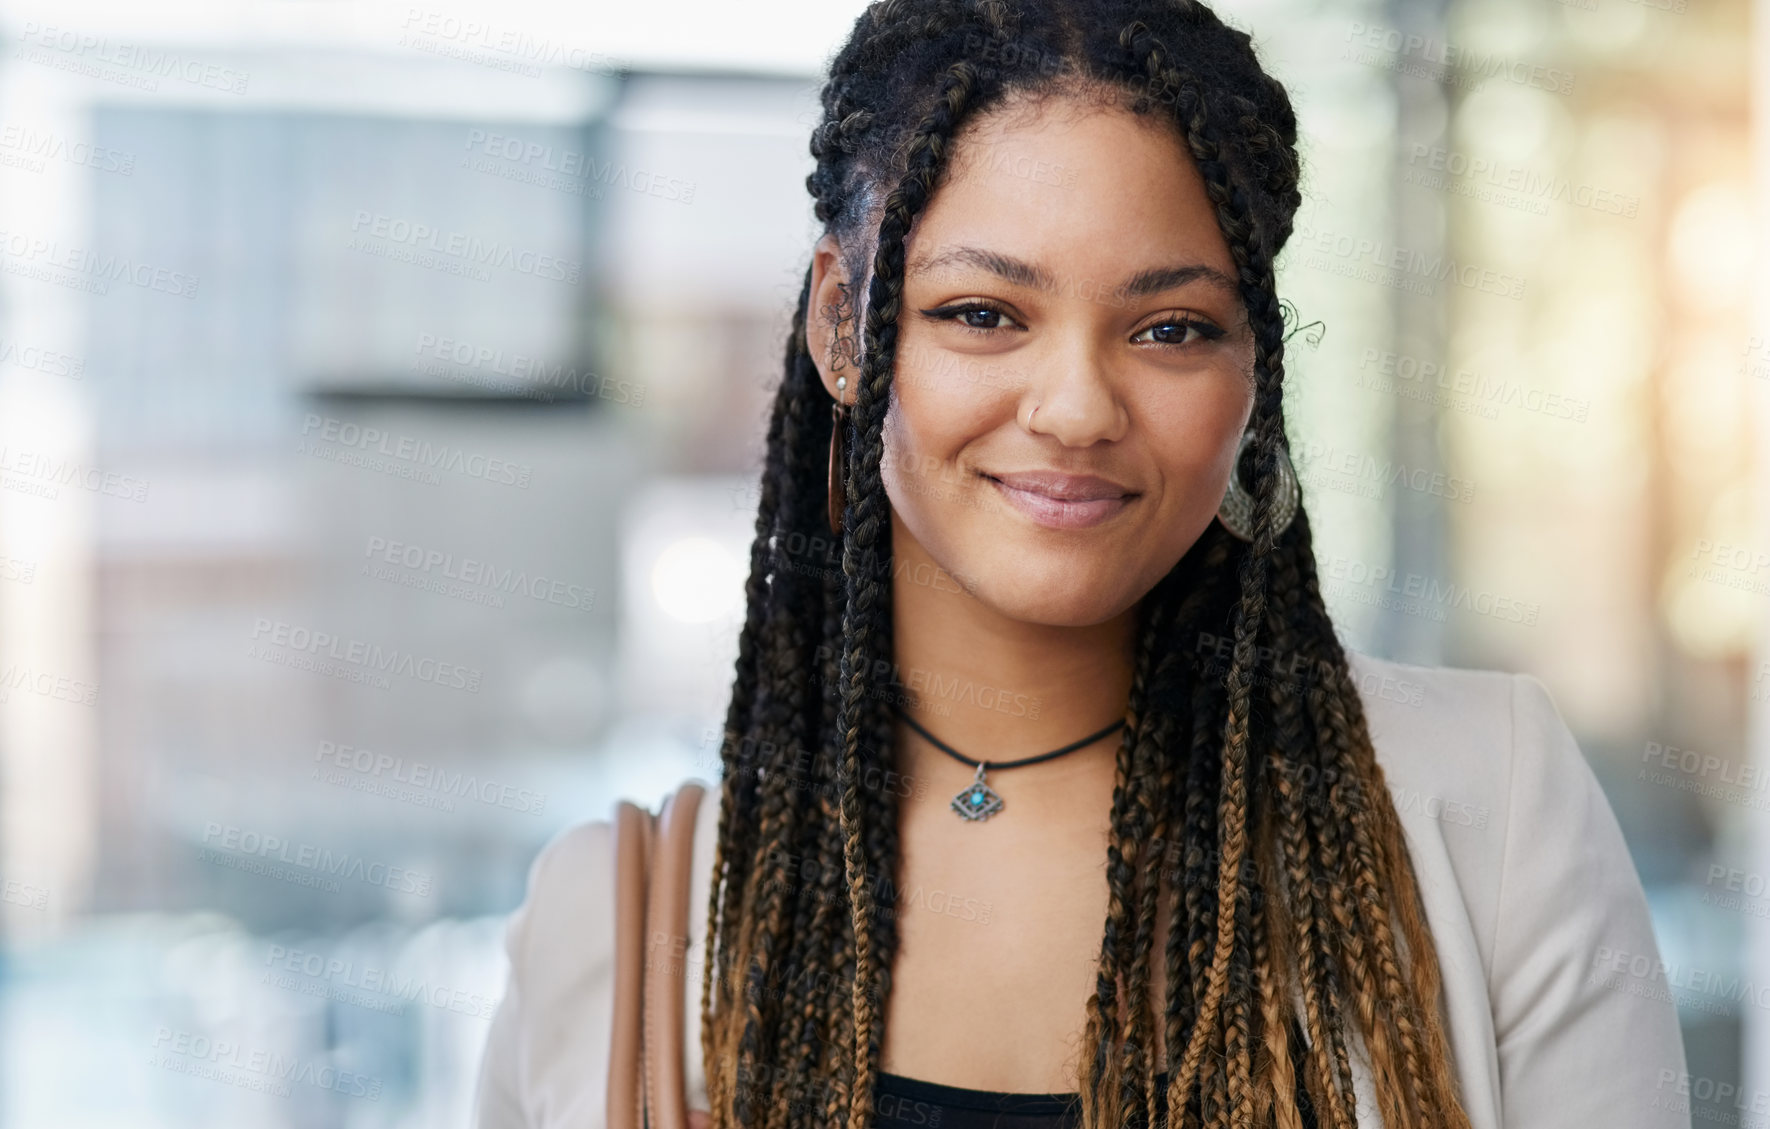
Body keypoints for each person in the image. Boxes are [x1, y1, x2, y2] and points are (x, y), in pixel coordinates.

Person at [473, 1, 1688, 1127]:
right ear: (846, 327)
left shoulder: (1493, 812)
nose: (1075, 408)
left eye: (1170, 329)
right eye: (984, 313)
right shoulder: (618, 922)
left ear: (1250, 365)